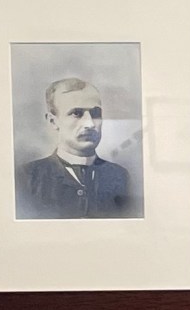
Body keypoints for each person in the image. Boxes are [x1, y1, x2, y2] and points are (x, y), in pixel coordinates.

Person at [19, 77, 134, 219]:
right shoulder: (28, 178)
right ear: (53, 121)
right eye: (76, 113)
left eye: (95, 113)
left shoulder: (120, 177)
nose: (89, 124)